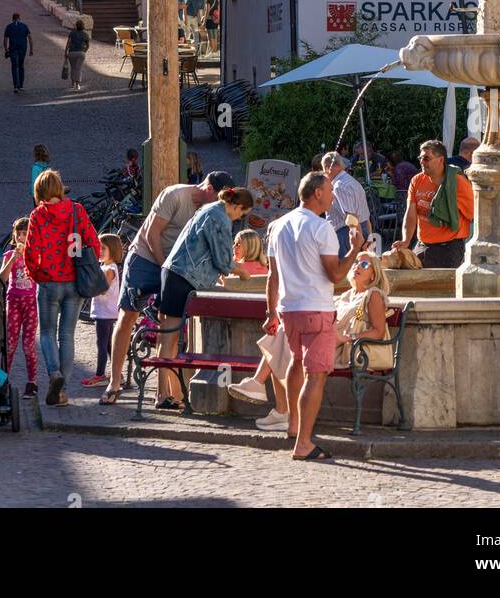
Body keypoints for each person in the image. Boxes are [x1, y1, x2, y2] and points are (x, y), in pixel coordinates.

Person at [99, 170, 233, 405]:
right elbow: (152, 234)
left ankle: (164, 393)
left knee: (167, 323)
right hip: (145, 258)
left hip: (173, 268)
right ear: (209, 189)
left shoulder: (209, 211)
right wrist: (165, 268)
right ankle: (115, 381)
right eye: (220, 199)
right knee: (127, 316)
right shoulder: (175, 196)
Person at [232, 250, 391, 432]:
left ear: (374, 274)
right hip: (332, 341)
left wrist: (347, 338)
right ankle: (274, 403)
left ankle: (276, 404)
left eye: (364, 265)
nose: (357, 267)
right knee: (286, 337)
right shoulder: (346, 295)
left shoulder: (374, 295)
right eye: (355, 263)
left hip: (354, 350)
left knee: (286, 340)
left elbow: (378, 332)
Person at [264, 171, 363, 460]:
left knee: (296, 364)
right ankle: (304, 442)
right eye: (330, 190)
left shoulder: (278, 226)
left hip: (288, 309)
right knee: (316, 376)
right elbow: (335, 275)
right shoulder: (322, 228)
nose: (333, 196)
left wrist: (271, 311)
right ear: (317, 193)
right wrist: (355, 249)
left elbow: (272, 276)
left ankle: (294, 425)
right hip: (317, 308)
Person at [158, 187, 254, 406]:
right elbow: (223, 261)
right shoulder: (220, 217)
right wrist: (241, 271)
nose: (240, 218)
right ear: (237, 206)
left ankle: (173, 395)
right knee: (170, 339)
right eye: (242, 213)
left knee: (167, 338)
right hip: (183, 277)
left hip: (173, 272)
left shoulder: (208, 209)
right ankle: (165, 395)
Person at [24, 168, 100, 406]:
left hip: (48, 282)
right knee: (67, 335)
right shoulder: (77, 210)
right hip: (74, 282)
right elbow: (94, 243)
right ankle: (63, 391)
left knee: (46, 333)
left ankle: (53, 372)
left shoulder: (37, 215)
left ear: (39, 193)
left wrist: (36, 274)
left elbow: (29, 252)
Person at [393, 139, 474, 269]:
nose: (421, 162)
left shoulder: (458, 182)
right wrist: (406, 240)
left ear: (441, 160)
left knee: (443, 288)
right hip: (422, 244)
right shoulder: (417, 180)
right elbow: (410, 214)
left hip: (449, 248)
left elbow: (473, 214)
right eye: (420, 158)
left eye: (426, 158)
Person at [0, 216, 38, 398]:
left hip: (31, 302)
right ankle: (3, 380)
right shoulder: (9, 255)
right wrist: (12, 260)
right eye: (19, 234)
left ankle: (32, 382)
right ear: (14, 236)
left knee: (29, 345)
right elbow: (1, 278)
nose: (22, 237)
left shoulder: (35, 254)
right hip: (13, 301)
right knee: (10, 344)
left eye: (25, 233)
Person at [82, 233, 124, 388]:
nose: (99, 251)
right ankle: (117, 374)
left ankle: (100, 375)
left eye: (103, 248)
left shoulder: (108, 269)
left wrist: (86, 290)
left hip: (105, 313)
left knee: (101, 344)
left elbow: (103, 289)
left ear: (112, 250)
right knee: (108, 344)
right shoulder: (106, 267)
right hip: (106, 312)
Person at [321, 151, 372, 255]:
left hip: (347, 234)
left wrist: (357, 241)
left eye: (323, 170)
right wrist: (369, 238)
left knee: (344, 270)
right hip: (361, 231)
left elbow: (351, 216)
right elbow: (366, 217)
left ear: (327, 167)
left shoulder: (339, 186)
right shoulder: (354, 182)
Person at [4, 12, 33, 92]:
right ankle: (21, 85)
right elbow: (30, 38)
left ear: (12, 18)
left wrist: (6, 49)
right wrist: (31, 49)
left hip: (13, 48)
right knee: (21, 65)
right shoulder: (24, 26)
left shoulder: (9, 27)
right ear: (19, 18)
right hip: (22, 48)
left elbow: (5, 39)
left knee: (14, 66)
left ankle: (15, 86)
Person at [63, 18, 89, 91]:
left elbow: (68, 43)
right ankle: (77, 84)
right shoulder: (85, 34)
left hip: (72, 52)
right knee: (78, 68)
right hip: (81, 53)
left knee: (73, 68)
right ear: (83, 26)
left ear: (76, 26)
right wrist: (84, 51)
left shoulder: (72, 33)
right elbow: (88, 45)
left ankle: (72, 82)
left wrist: (65, 52)